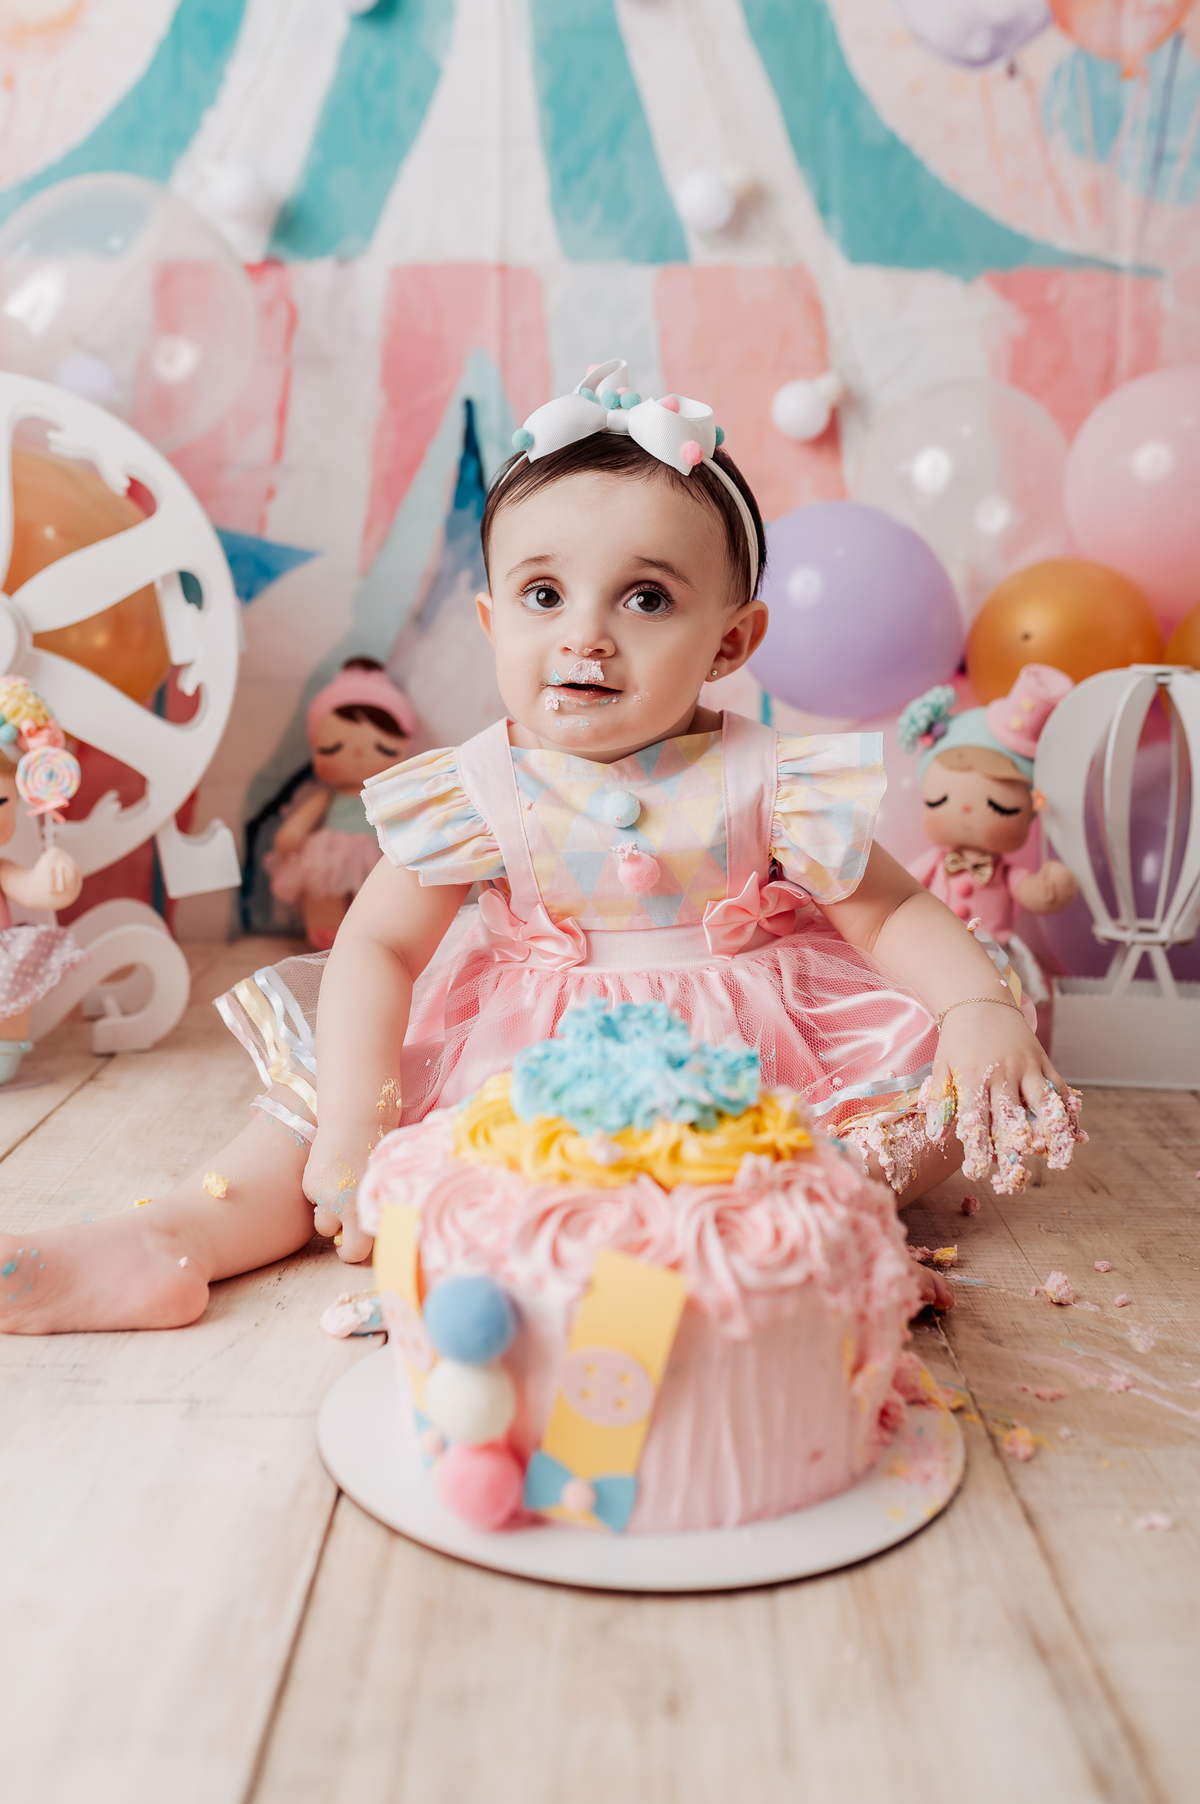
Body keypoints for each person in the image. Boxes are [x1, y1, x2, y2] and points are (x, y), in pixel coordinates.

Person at [0, 361, 1083, 1334]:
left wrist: (975, 1008)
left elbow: (894, 912)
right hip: (520, 1054)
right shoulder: (478, 788)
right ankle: (172, 1238)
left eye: (646, 597)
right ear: (492, 623)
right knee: (308, 1128)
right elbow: (378, 947)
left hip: (742, 1060)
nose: (585, 634)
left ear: (730, 640)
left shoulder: (771, 780)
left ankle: (752, 1239)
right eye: (543, 594)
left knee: (922, 1109)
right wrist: (354, 1121)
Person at [264, 657, 415, 949]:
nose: (358, 754)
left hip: (378, 853)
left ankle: (372, 944)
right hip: (327, 855)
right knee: (323, 893)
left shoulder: (391, 794)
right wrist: (291, 835)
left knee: (378, 899)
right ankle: (327, 942)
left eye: (382, 748)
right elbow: (297, 827)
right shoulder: (326, 796)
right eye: (333, 748)